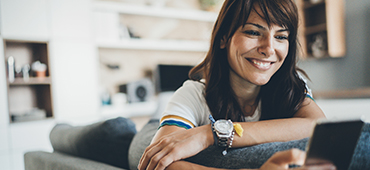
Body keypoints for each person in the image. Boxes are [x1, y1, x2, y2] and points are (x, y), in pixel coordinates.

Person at [138, 0, 328, 169]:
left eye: (280, 36)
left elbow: (319, 127)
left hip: (198, 131)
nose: (269, 48)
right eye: (254, 32)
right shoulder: (193, 94)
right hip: (152, 130)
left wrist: (210, 134)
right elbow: (160, 162)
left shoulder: (292, 88)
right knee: (126, 138)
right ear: (223, 38)